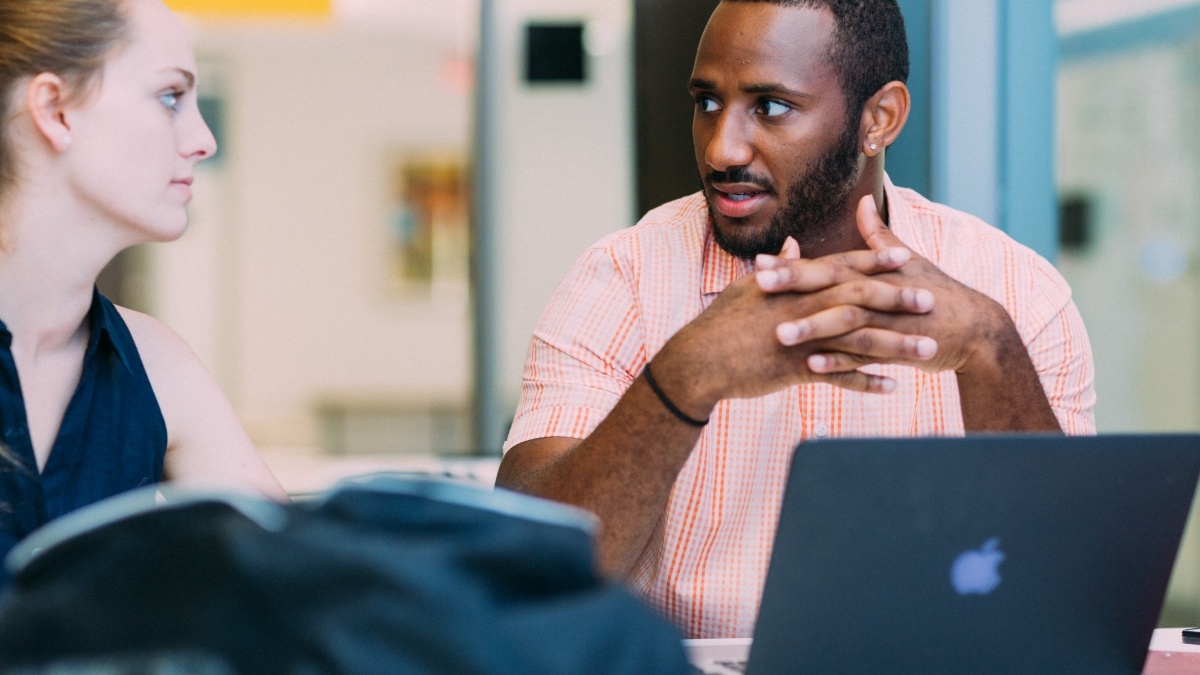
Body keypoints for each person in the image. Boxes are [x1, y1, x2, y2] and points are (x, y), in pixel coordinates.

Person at [496, 0, 1095, 639]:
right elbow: (520, 575)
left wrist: (990, 351)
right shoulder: (619, 281)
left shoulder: (1018, 295)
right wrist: (684, 376)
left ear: (880, 119)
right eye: (706, 103)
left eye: (771, 106)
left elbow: (1070, 596)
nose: (722, 148)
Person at [0, 0, 287, 577]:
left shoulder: (154, 362)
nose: (202, 139)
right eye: (170, 97)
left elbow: (307, 583)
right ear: (56, 110)